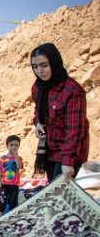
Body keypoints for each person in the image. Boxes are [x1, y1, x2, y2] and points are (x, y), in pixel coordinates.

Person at [31, 43, 89, 182]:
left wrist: (68, 161)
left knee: (60, 194)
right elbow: (38, 110)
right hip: (49, 150)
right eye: (35, 67)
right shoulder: (38, 87)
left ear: (54, 62)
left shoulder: (72, 90)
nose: (40, 71)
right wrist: (37, 122)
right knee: (53, 190)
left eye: (44, 65)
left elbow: (75, 130)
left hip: (69, 151)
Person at [0, 135, 23, 214]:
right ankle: (0, 212)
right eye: (11, 145)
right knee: (2, 198)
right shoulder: (3, 158)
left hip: (14, 183)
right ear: (7, 146)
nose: (13, 147)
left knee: (13, 199)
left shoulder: (19, 158)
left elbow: (19, 166)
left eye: (16, 145)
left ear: (19, 146)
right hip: (4, 183)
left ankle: (12, 213)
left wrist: (16, 156)